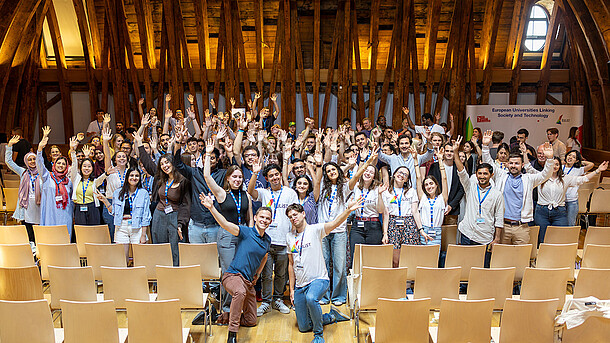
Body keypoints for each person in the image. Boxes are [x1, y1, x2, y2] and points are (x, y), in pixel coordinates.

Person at [199, 194, 272, 343]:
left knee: (251, 320)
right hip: (233, 276)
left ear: (270, 221)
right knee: (239, 292)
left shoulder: (267, 239)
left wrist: (257, 274)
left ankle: (216, 316)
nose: (264, 220)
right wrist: (212, 208)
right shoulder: (246, 232)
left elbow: (264, 256)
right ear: (256, 218)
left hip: (248, 282)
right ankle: (232, 334)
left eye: (267, 218)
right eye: (262, 217)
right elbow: (225, 224)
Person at [286, 202, 359, 343]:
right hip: (300, 285)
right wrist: (292, 289)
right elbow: (291, 264)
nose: (293, 218)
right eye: (290, 217)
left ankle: (318, 335)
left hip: (319, 280)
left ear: (303, 214)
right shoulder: (289, 237)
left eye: (295, 214)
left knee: (311, 298)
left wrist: (348, 210)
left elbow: (335, 223)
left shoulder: (315, 230)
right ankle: (331, 316)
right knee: (303, 326)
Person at [480, 130, 554, 245]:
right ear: (507, 164)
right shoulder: (501, 175)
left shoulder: (528, 179)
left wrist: (549, 159)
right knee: (502, 258)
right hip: (502, 226)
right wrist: (485, 146)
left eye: (517, 163)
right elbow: (488, 163)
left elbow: (546, 175)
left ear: (522, 165)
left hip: (522, 227)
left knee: (521, 259)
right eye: (511, 163)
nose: (513, 166)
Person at [248, 161, 298, 316]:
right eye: (271, 176)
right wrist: (255, 173)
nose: (275, 177)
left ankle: (278, 300)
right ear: (267, 178)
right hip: (267, 241)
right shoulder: (264, 193)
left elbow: (295, 216)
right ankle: (266, 302)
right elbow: (250, 191)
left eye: (277, 174)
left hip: (285, 240)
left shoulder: (290, 193)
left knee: (282, 274)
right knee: (266, 274)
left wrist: (294, 238)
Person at [453, 136, 503, 267]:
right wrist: (455, 152)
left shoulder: (497, 194)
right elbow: (461, 171)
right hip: (467, 233)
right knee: (465, 265)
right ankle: (464, 288)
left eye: (485, 174)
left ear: (491, 175)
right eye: (479, 173)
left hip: (485, 237)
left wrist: (497, 238)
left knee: (482, 267)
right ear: (476, 174)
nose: (482, 176)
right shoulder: (470, 187)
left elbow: (499, 218)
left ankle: (479, 287)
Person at [531, 158, 607, 243]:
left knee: (561, 238)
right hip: (542, 211)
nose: (554, 167)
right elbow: (528, 168)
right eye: (552, 164)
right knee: (543, 239)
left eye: (557, 164)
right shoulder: (540, 177)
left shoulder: (565, 178)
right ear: (547, 165)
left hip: (559, 212)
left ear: (560, 166)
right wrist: (524, 154)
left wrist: (598, 170)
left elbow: (583, 179)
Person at [97, 168, 151, 259]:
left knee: (139, 258)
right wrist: (105, 201)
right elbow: (113, 212)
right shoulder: (118, 192)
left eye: (137, 176)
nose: (134, 178)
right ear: (127, 177)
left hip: (137, 227)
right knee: (122, 258)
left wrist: (143, 235)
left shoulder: (143, 193)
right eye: (131, 175)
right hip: (121, 227)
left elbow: (146, 216)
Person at [151, 153, 191, 265]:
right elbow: (148, 165)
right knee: (159, 247)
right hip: (159, 215)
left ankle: (175, 278)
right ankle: (160, 277)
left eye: (167, 162)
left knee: (175, 248)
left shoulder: (184, 180)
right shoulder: (161, 179)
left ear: (173, 163)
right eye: (162, 164)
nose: (165, 166)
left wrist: (180, 223)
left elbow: (186, 204)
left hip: (175, 215)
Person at [348, 149, 386, 264]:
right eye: (366, 171)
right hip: (357, 225)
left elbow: (380, 210)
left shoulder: (378, 189)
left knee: (372, 259)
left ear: (374, 176)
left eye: (371, 172)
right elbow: (349, 204)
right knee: (356, 257)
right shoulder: (356, 187)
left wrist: (379, 194)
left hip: (373, 225)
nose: (368, 173)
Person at [381, 165, 424, 267]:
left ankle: (408, 282)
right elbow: (386, 214)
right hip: (393, 223)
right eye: (400, 172)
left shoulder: (411, 191)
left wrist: (420, 229)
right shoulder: (386, 192)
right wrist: (385, 233)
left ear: (407, 179)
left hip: (409, 224)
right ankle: (397, 280)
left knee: (409, 258)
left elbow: (415, 211)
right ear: (394, 174)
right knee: (395, 259)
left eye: (405, 174)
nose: (402, 175)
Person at [5, 134, 42, 242]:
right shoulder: (23, 172)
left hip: (39, 205)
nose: (32, 161)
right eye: (29, 159)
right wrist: (10, 145)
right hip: (26, 206)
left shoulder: (42, 173)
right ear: (26, 161)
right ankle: (31, 249)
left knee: (39, 231)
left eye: (34, 159)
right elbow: (9, 162)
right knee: (28, 231)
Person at [36, 132, 74, 236]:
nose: (61, 165)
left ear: (66, 167)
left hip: (65, 214)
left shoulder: (68, 181)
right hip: (50, 213)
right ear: (54, 164)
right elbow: (39, 164)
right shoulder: (47, 176)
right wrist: (39, 149)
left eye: (63, 164)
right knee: (51, 237)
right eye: (58, 163)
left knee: (64, 237)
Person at [414, 148, 448, 246]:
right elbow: (418, 177)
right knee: (424, 259)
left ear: (436, 185)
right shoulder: (423, 198)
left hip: (437, 232)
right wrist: (416, 160)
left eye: (431, 183)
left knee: (435, 258)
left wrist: (440, 160)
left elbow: (444, 179)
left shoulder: (442, 198)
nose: (429, 186)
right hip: (424, 231)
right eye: (426, 185)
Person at [426, 142, 465, 224]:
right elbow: (429, 186)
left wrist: (451, 205)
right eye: (447, 151)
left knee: (450, 236)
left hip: (452, 210)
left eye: (452, 151)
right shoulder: (435, 166)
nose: (449, 153)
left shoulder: (459, 168)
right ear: (443, 152)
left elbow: (461, 189)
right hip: (435, 208)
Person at [563, 150, 594, 226]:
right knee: (561, 223)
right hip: (560, 201)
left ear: (576, 160)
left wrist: (580, 162)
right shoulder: (559, 167)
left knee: (570, 224)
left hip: (572, 201)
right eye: (569, 155)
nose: (570, 157)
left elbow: (591, 165)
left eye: (574, 157)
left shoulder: (578, 170)